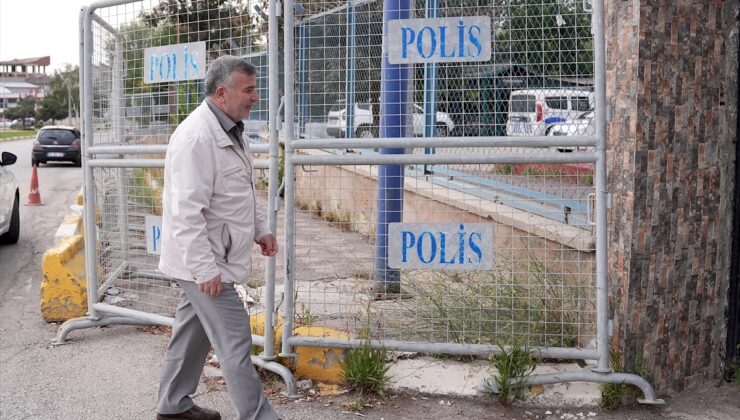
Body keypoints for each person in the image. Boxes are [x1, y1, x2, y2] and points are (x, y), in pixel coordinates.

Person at [156, 55, 279, 420]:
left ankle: (173, 406)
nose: (256, 97)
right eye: (249, 90)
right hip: (207, 262)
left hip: (211, 257)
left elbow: (240, 191)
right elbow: (185, 212)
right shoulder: (196, 137)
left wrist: (261, 229)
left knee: (191, 336)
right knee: (235, 340)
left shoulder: (230, 129)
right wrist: (204, 268)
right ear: (222, 93)